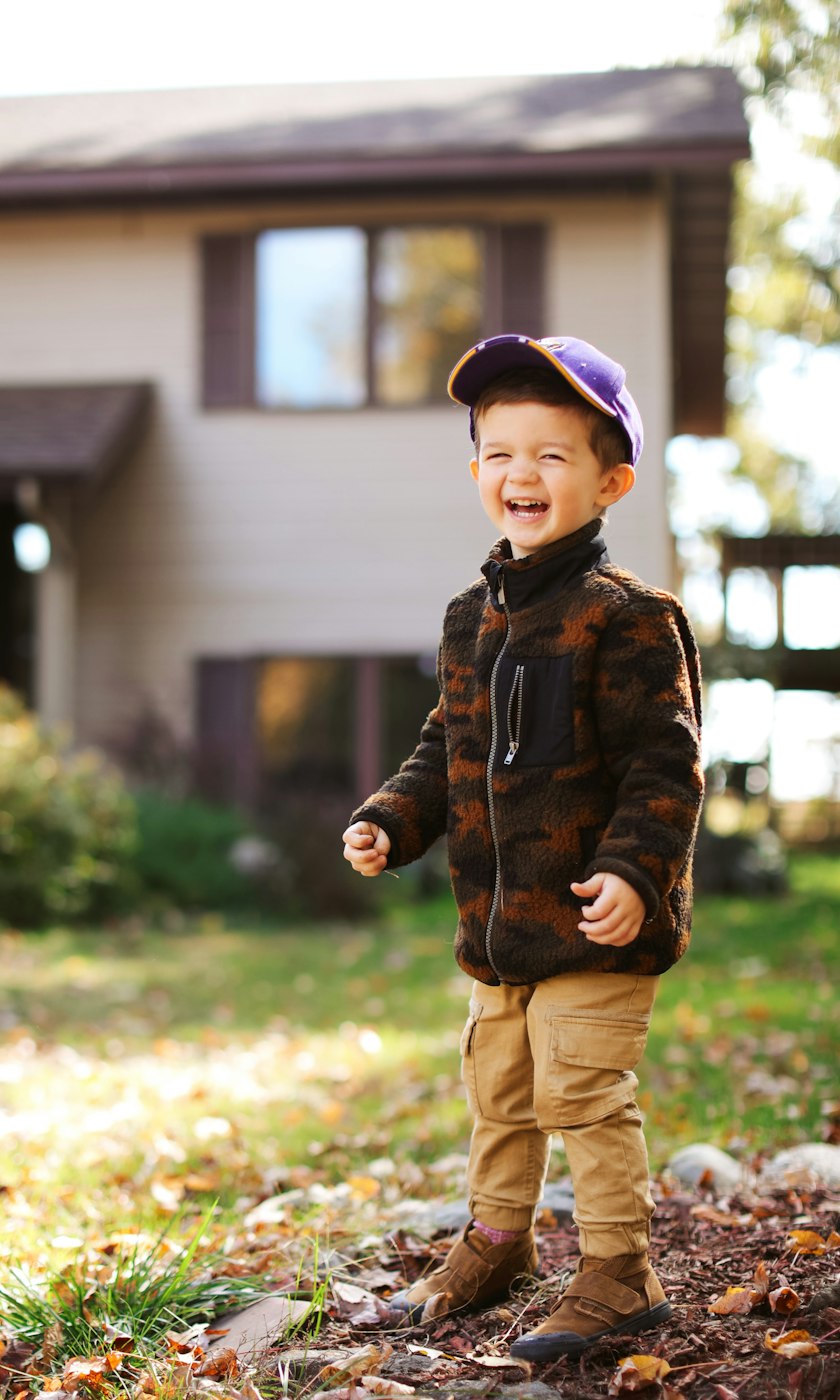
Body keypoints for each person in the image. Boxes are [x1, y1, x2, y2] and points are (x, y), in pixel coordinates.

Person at [342, 333, 704, 1363]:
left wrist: (638, 871)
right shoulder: (471, 619)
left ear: (610, 479)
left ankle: (618, 1272)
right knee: (498, 1091)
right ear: (475, 473)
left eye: (551, 454)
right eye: (500, 453)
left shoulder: (627, 618)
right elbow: (441, 747)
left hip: (592, 920)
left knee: (580, 1092)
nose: (523, 474)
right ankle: (497, 1240)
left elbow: (664, 763)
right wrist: (391, 819)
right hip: (496, 931)